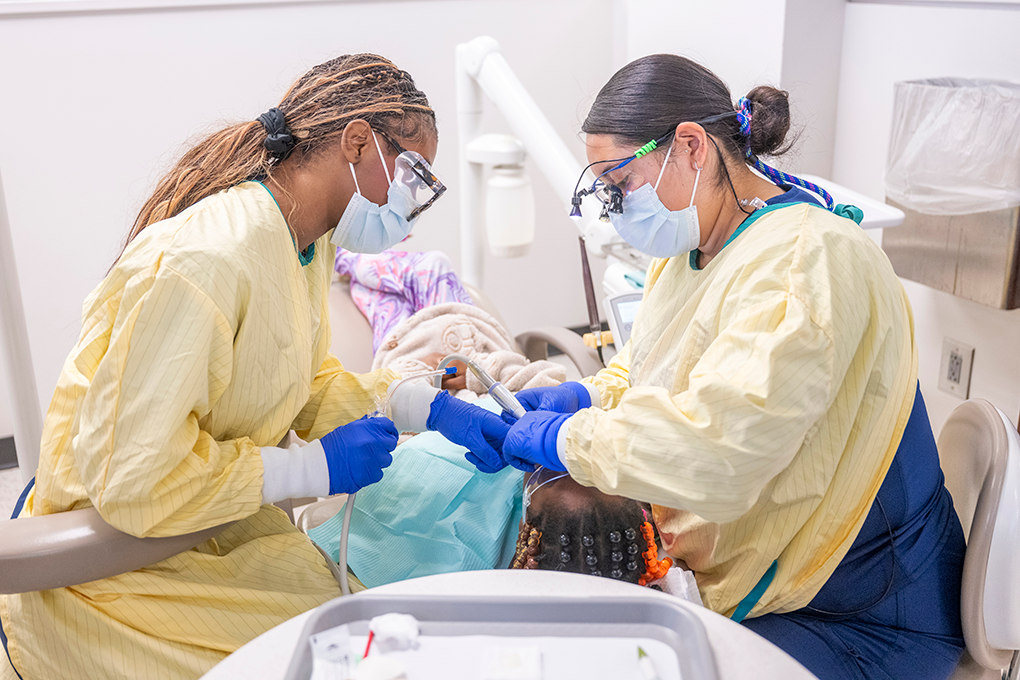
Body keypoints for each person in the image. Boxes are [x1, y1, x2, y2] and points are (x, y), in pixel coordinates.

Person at [0, 54, 507, 680]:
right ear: (356, 142)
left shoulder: (304, 241)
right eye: (412, 172)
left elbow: (296, 377)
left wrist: (418, 403)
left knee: (353, 627)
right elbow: (133, 479)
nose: (412, 201)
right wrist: (307, 465)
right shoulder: (209, 261)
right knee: (341, 655)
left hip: (203, 527)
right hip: (114, 573)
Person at [501, 54, 966, 679]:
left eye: (618, 181)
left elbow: (718, 452)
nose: (613, 205)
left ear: (690, 147)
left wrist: (569, 438)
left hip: (862, 610)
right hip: (775, 577)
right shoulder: (692, 252)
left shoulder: (806, 262)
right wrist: (583, 400)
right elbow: (653, 376)